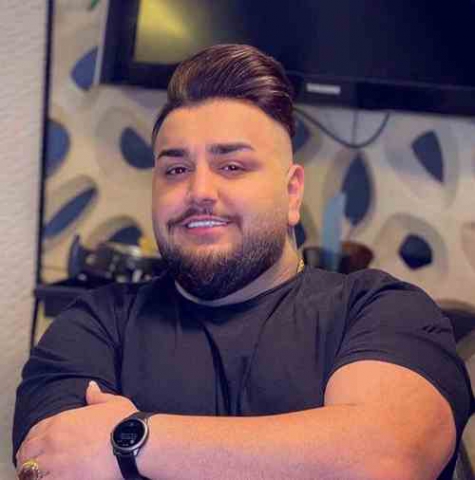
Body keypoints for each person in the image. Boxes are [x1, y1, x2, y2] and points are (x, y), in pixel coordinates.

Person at [13, 44, 473, 480]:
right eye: (176, 169)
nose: (199, 191)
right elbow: (55, 460)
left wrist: (130, 442)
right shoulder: (94, 326)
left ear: (292, 192)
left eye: (232, 166)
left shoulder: (380, 310)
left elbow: (384, 458)